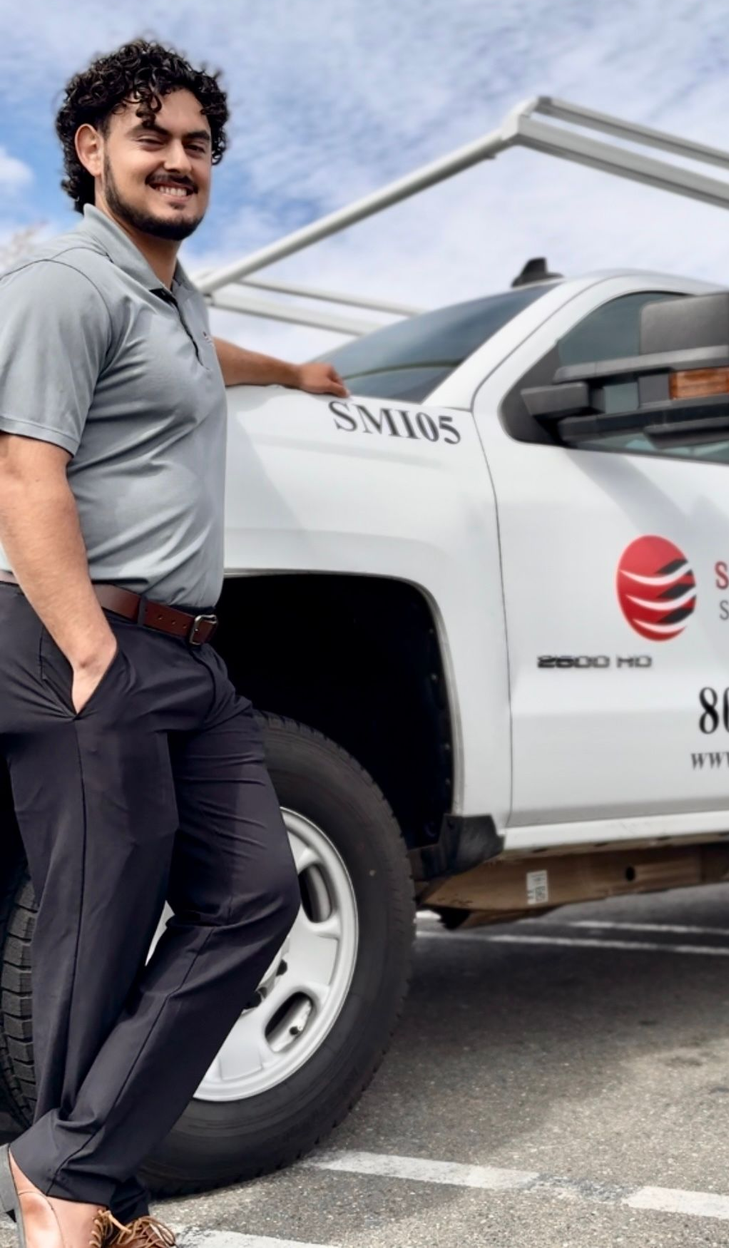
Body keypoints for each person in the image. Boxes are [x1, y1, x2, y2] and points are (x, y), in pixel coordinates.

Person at [0, 37, 350, 1248]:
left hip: (190, 651)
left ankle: (71, 1170)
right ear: (90, 150)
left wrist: (297, 373)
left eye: (199, 145)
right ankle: (88, 1195)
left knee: (251, 894)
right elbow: (22, 467)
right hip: (84, 635)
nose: (181, 161)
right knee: (97, 924)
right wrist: (87, 650)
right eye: (153, 137)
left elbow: (209, 362)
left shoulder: (172, 300)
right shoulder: (62, 282)